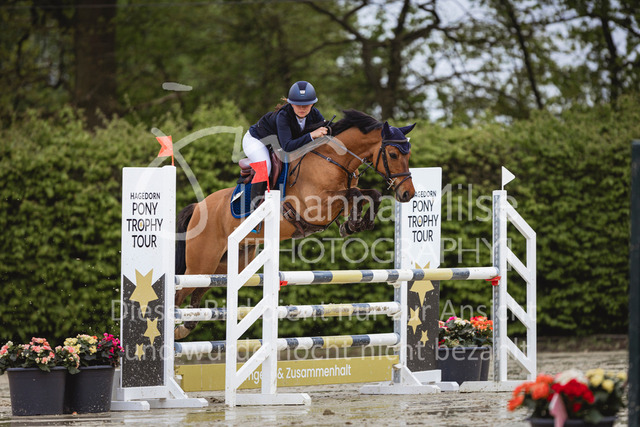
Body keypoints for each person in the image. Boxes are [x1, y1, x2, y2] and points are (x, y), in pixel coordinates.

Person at [242, 81, 328, 206]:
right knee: (264, 167)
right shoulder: (283, 116)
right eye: (298, 105)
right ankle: (254, 208)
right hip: (256, 140)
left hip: (275, 143)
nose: (302, 108)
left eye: (306, 105)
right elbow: (287, 147)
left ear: (312, 104)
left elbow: (327, 128)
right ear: (291, 103)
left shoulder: (314, 114)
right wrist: (311, 135)